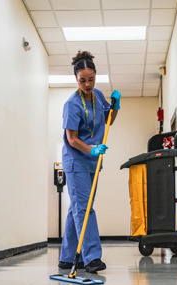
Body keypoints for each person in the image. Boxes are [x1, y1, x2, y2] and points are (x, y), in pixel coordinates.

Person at [59, 50, 121, 273]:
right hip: (76, 161)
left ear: (96, 76)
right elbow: (72, 139)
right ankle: (92, 257)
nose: (87, 84)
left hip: (93, 162)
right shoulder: (72, 104)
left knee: (78, 208)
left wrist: (115, 107)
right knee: (84, 209)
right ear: (76, 79)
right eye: (82, 80)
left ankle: (67, 257)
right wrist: (93, 149)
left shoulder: (99, 96)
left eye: (91, 79)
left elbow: (107, 120)